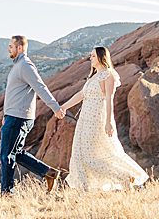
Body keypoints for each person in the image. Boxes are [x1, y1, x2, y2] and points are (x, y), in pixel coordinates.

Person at [60, 46, 149, 191]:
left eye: (93, 56)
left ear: (102, 57)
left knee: (93, 157)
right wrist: (64, 106)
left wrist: (108, 122)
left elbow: (109, 100)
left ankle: (125, 176)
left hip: (97, 119)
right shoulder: (94, 76)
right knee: (79, 154)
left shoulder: (109, 75)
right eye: (91, 56)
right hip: (84, 120)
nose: (91, 59)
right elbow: (82, 95)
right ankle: (84, 190)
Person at [0, 35, 66, 195]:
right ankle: (49, 173)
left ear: (20, 48)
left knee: (6, 155)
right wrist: (5, 115)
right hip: (13, 116)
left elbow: (40, 87)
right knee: (16, 153)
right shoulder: (18, 66)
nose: (9, 48)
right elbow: (12, 94)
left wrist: (55, 108)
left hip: (19, 118)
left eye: (11, 46)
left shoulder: (25, 66)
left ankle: (7, 192)